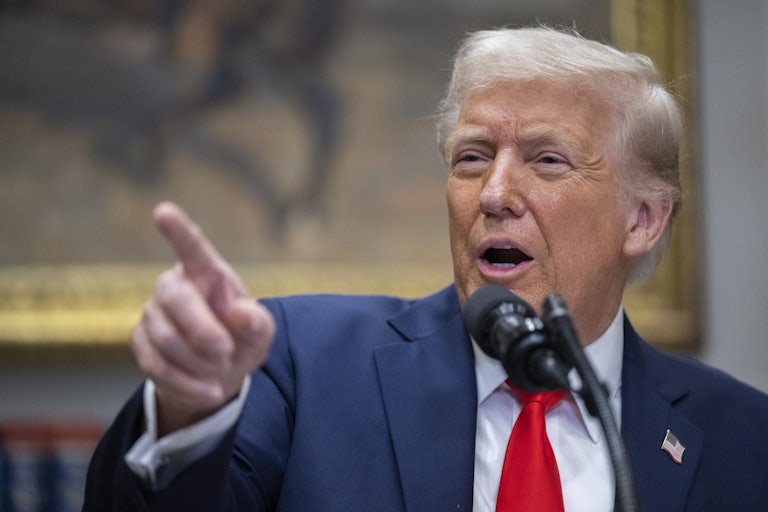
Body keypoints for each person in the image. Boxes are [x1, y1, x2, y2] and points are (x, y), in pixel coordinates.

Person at [83, 26, 768, 511]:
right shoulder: (301, 360)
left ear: (642, 220)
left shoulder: (745, 436)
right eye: (472, 156)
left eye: (547, 160)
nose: (494, 193)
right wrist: (189, 411)